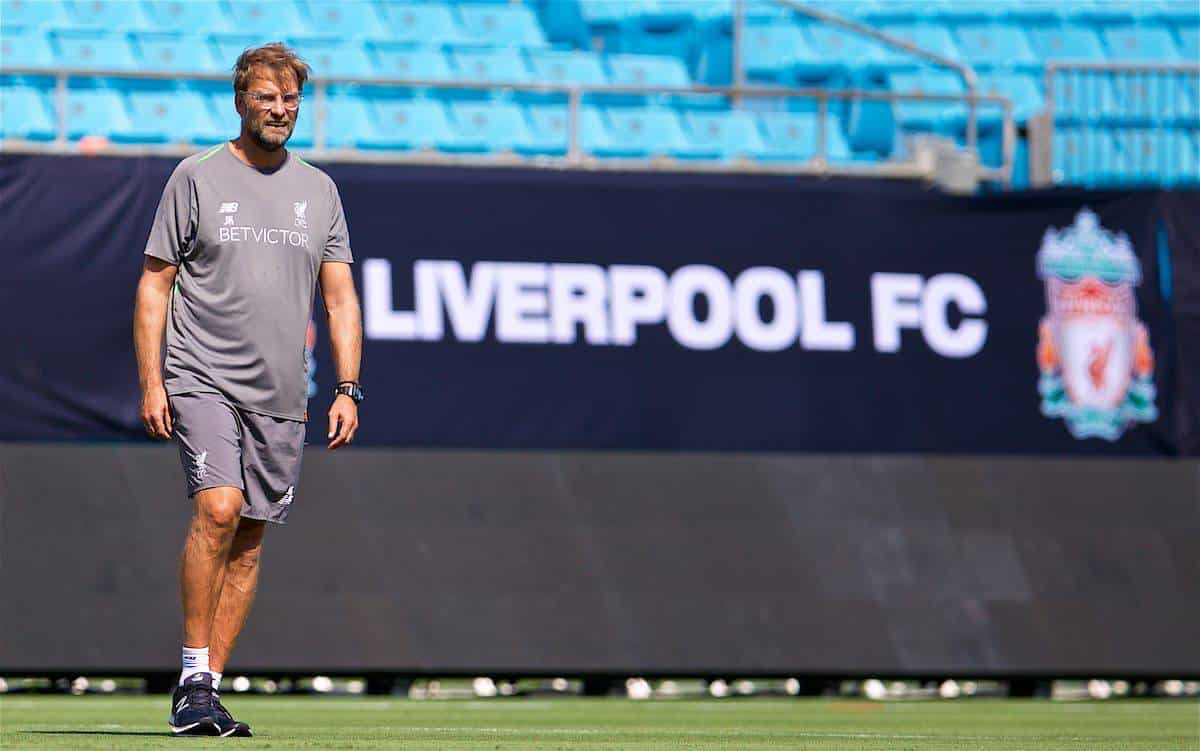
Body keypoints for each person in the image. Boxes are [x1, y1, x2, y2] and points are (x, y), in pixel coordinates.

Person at [132, 43, 363, 737]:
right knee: (220, 507)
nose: (280, 110)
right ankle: (194, 669)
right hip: (200, 375)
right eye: (266, 97)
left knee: (251, 537)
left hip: (282, 395)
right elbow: (154, 285)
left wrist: (348, 387)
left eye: (290, 99)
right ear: (241, 101)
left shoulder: (319, 189)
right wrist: (153, 379)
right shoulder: (196, 177)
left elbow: (341, 298)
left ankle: (201, 689)